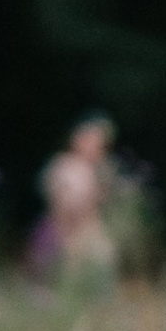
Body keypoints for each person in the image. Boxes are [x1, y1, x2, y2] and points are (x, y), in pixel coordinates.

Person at [31, 118, 119, 286]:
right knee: (68, 266)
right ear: (77, 140)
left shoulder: (99, 170)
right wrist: (66, 228)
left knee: (103, 259)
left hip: (90, 227)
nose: (97, 149)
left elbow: (102, 202)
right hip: (65, 226)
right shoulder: (64, 166)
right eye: (92, 142)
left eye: (100, 145)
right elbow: (58, 201)